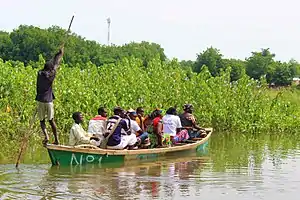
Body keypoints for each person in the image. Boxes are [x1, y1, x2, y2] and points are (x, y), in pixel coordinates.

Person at [35, 46, 64, 145]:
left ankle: (46, 136)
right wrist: (59, 54)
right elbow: (56, 64)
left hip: (40, 100)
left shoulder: (39, 73)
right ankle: (56, 139)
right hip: (49, 101)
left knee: (42, 121)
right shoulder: (52, 74)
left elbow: (52, 64)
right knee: (51, 121)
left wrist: (57, 54)